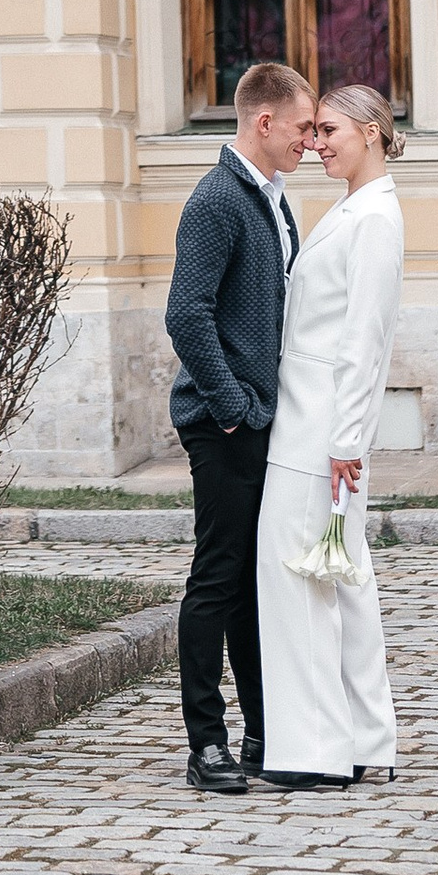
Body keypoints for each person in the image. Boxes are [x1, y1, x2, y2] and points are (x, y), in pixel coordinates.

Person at [161, 58, 316, 797]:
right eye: (302, 127)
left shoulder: (272, 199)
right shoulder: (218, 199)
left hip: (261, 417)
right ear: (264, 120)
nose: (310, 140)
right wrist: (232, 407)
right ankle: (206, 744)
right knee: (217, 579)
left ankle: (261, 732)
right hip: (224, 422)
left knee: (255, 582)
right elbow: (185, 314)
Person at [252, 81, 406, 791]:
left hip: (320, 432)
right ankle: (363, 735)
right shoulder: (352, 208)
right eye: (313, 132)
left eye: (330, 130)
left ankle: (317, 749)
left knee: (303, 580)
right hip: (310, 420)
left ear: (372, 132)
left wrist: (346, 440)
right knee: (341, 579)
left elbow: (364, 340)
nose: (316, 144)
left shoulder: (373, 218)